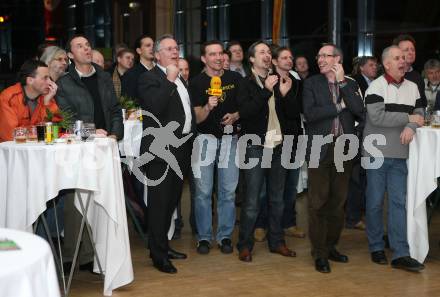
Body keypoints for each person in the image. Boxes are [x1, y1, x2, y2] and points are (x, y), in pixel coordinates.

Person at [56, 34, 124, 272]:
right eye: (80, 46)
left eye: (87, 44)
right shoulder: (64, 83)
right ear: (71, 55)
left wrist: (115, 134)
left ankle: (103, 255)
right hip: (80, 149)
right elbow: (66, 119)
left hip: (106, 147)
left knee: (106, 200)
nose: (86, 48)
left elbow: (116, 110)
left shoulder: (104, 77)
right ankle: (75, 255)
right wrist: (94, 132)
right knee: (79, 199)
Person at [302, 43, 364, 273]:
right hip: (320, 147)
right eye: (318, 56)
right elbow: (311, 114)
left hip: (344, 148)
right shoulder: (311, 83)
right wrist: (339, 106)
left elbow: (359, 109)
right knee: (318, 202)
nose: (319, 60)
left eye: (325, 56)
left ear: (337, 58)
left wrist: (342, 84)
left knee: (338, 202)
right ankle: (319, 253)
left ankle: (330, 247)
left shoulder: (351, 82)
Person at [363, 45, 425, 272]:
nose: (403, 60)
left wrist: (410, 125)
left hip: (400, 154)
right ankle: (376, 247)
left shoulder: (413, 87)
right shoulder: (375, 87)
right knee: (375, 202)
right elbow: (378, 118)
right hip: (375, 153)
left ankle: (401, 253)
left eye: (404, 57)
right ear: (386, 63)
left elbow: (420, 115)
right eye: (397, 58)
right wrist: (408, 118)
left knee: (398, 204)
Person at [137, 34, 195, 274]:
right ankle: (158, 255)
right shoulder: (148, 78)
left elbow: (184, 111)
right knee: (160, 204)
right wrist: (170, 80)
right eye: (169, 49)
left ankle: (164, 245)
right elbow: (155, 107)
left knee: (172, 201)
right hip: (161, 150)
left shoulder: (179, 76)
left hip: (181, 147)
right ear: (157, 54)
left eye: (176, 47)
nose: (174, 51)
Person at [237, 41, 297, 262]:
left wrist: (284, 93)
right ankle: (244, 245)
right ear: (251, 59)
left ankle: (277, 242)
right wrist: (266, 91)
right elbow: (246, 113)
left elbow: (291, 114)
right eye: (261, 52)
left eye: (268, 52)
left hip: (278, 146)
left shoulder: (280, 80)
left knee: (277, 199)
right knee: (252, 201)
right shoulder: (245, 83)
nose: (266, 55)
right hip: (255, 146)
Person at [189, 40, 242, 255]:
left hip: (231, 140)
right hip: (204, 141)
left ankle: (224, 236)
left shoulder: (235, 79)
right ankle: (203, 237)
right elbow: (197, 118)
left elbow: (245, 106)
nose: (218, 57)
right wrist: (208, 107)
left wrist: (236, 115)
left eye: (220, 53)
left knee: (228, 192)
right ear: (204, 58)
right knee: (202, 192)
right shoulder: (195, 83)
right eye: (212, 54)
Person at [254, 46, 305, 239]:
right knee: (267, 187)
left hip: (295, 138)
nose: (289, 60)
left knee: (291, 186)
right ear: (275, 61)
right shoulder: (269, 81)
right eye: (284, 57)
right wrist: (282, 95)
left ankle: (288, 223)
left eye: (290, 57)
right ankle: (261, 224)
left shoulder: (298, 82)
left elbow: (296, 111)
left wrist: (285, 95)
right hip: (274, 139)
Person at [0, 59, 59, 142]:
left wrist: (47, 103)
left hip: (37, 149)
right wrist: (36, 132)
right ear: (30, 80)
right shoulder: (8, 97)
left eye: (49, 78)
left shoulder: (47, 97)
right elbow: (10, 135)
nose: (50, 82)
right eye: (45, 78)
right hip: (12, 152)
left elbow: (56, 129)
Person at [393, 34, 427, 108]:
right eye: (406, 50)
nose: (411, 52)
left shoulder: (418, 77)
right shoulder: (389, 77)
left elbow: (422, 105)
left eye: (413, 50)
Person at [121, 35, 155, 102]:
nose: (152, 48)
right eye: (148, 45)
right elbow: (128, 104)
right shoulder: (131, 74)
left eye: (153, 46)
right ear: (139, 51)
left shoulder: (161, 71)